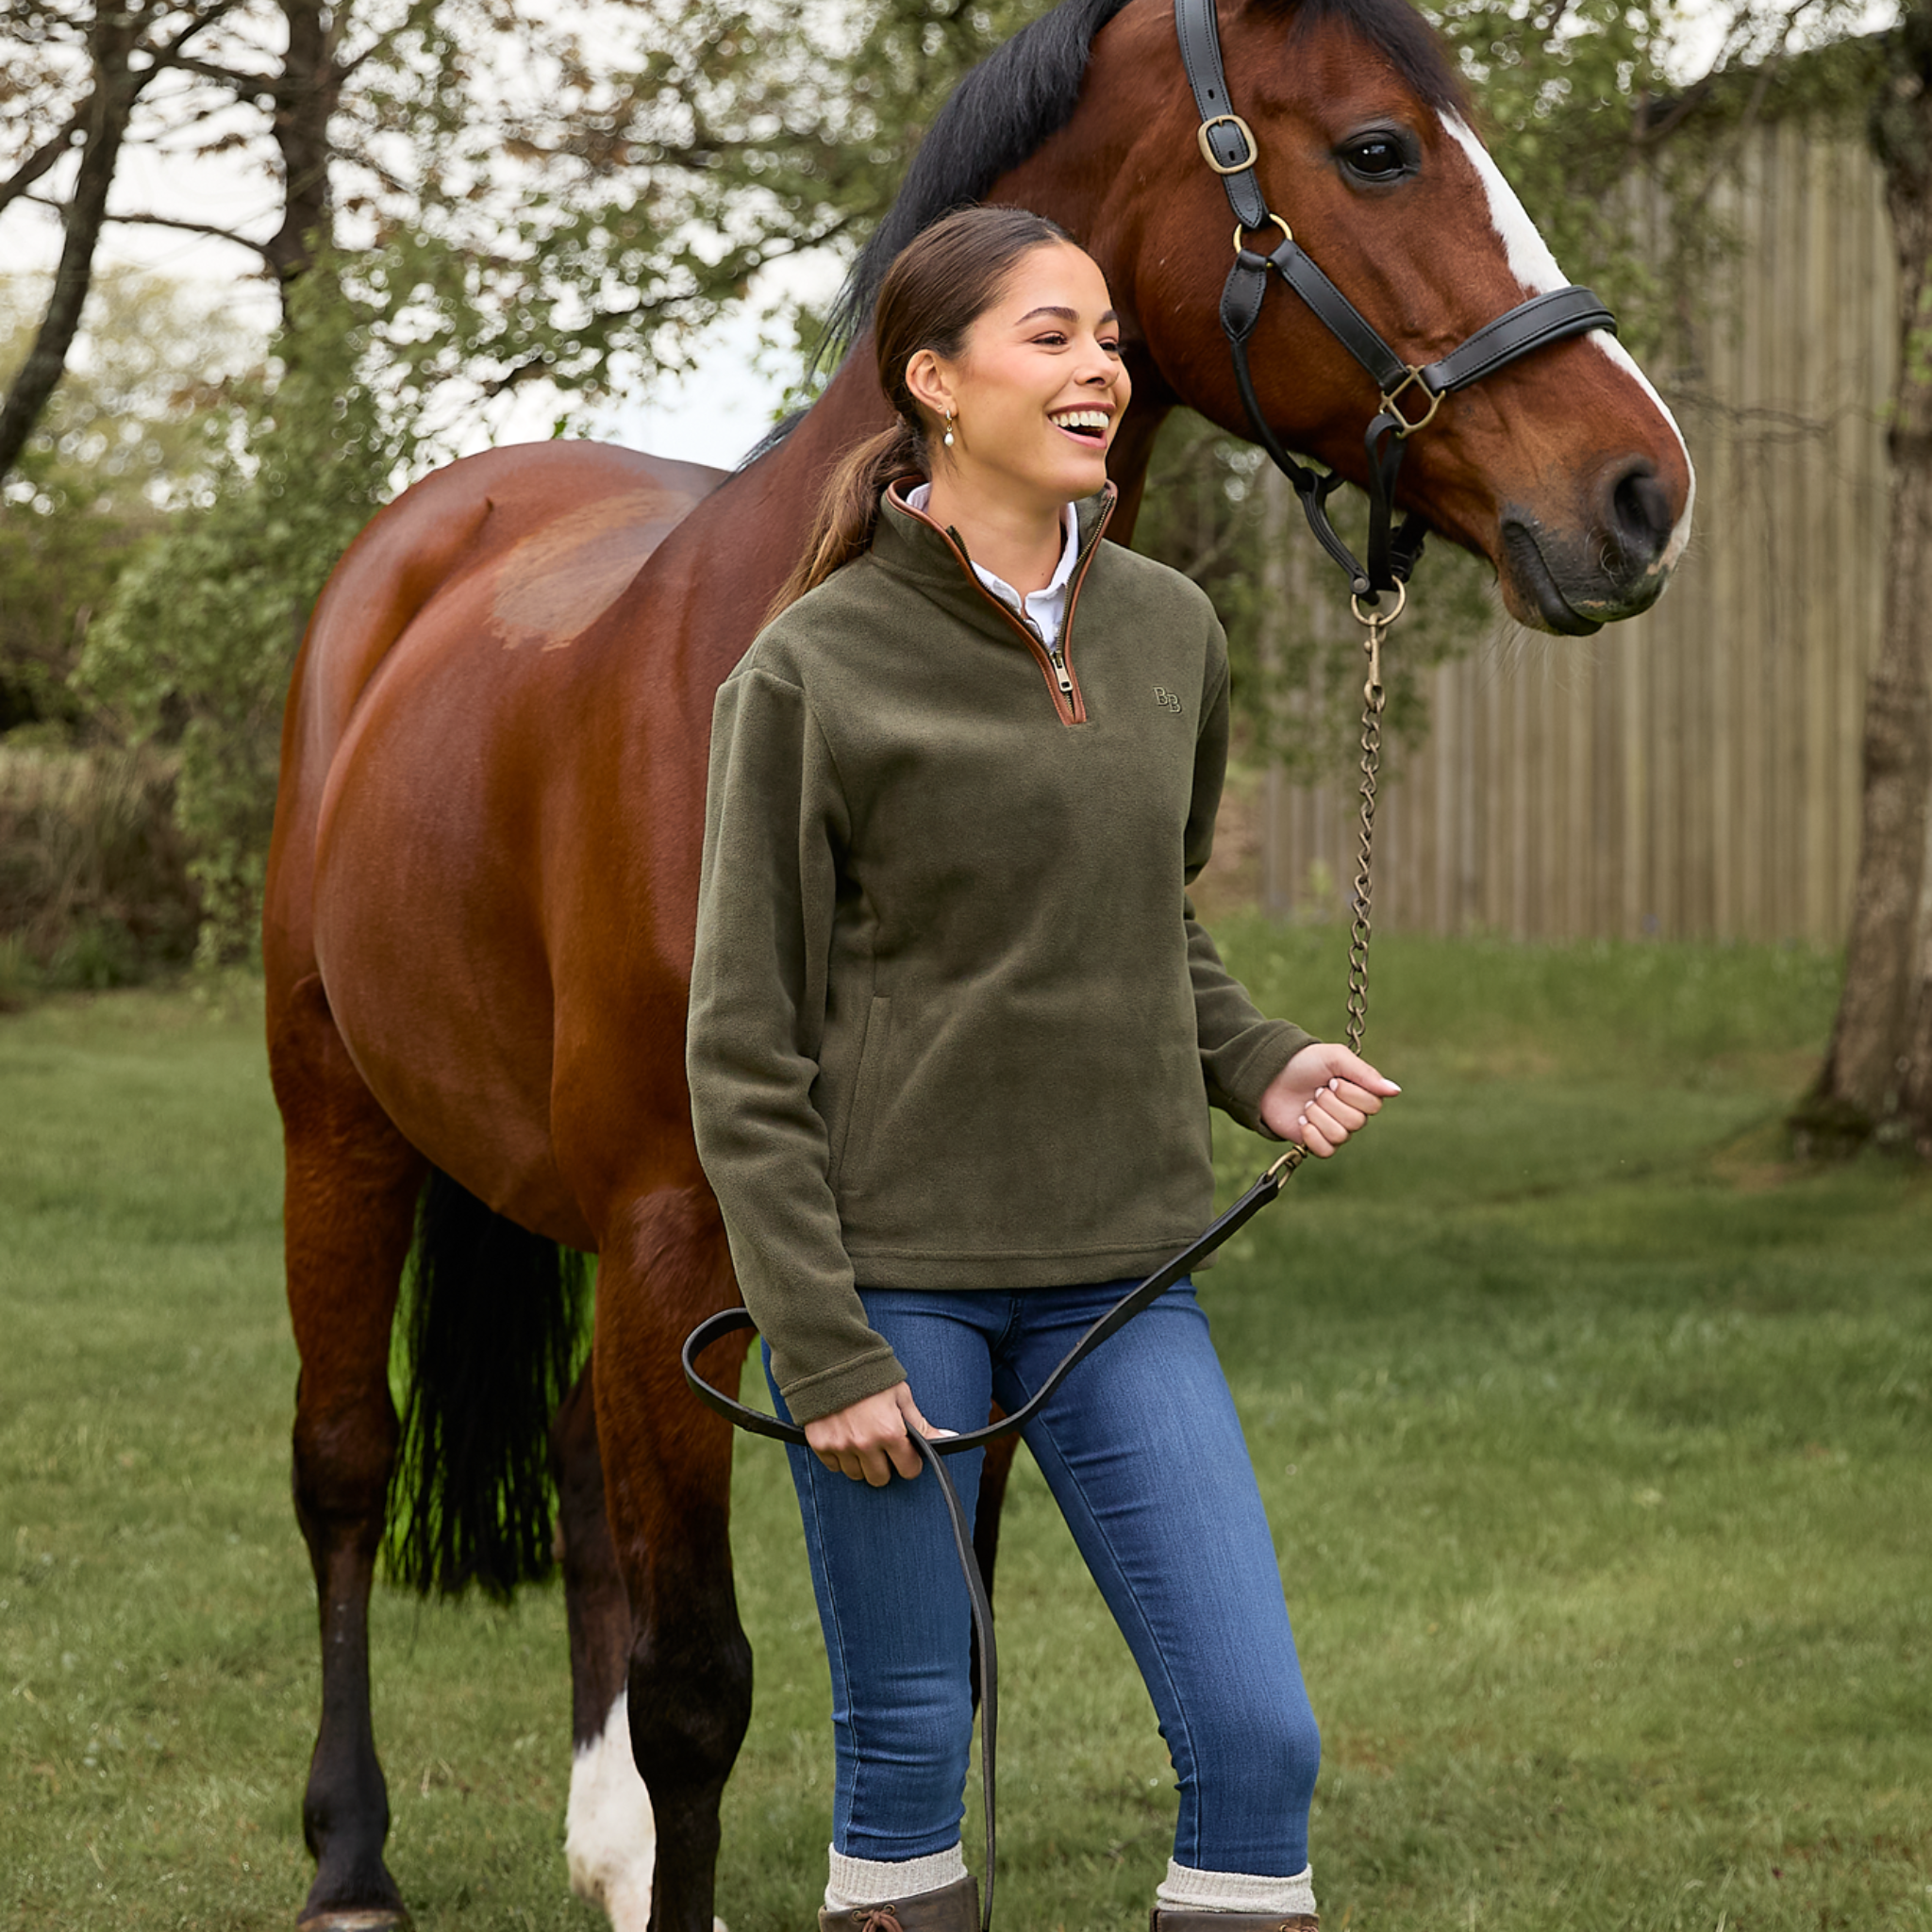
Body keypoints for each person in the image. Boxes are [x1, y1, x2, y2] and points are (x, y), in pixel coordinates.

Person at [686, 204, 1399, 1932]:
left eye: (1109, 339)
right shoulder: (810, 669)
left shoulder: (1172, 629)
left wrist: (1260, 1058)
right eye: (1050, 337)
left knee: (1257, 1740)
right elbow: (743, 1046)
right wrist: (826, 1345)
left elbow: (1144, 917)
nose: (1100, 371)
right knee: (910, 1743)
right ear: (932, 383)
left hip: (1123, 1274)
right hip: (895, 1295)